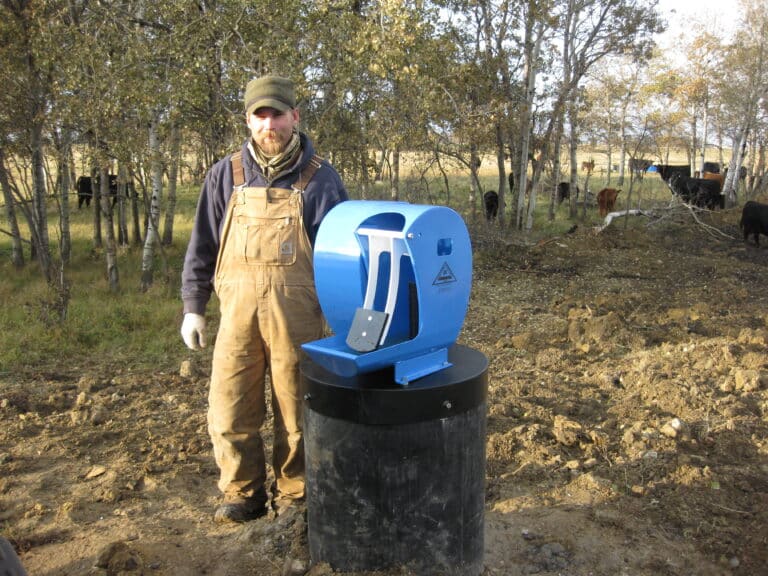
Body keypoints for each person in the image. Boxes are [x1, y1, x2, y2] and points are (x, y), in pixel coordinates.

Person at [180, 75, 349, 523]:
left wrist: (350, 319)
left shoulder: (322, 180)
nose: (269, 123)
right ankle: (244, 494)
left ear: (295, 116)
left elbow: (342, 259)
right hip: (236, 318)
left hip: (299, 321)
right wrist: (193, 308)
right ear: (248, 121)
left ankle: (296, 499)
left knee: (298, 412)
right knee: (230, 407)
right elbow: (201, 247)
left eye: (277, 114)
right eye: (260, 115)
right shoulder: (225, 175)